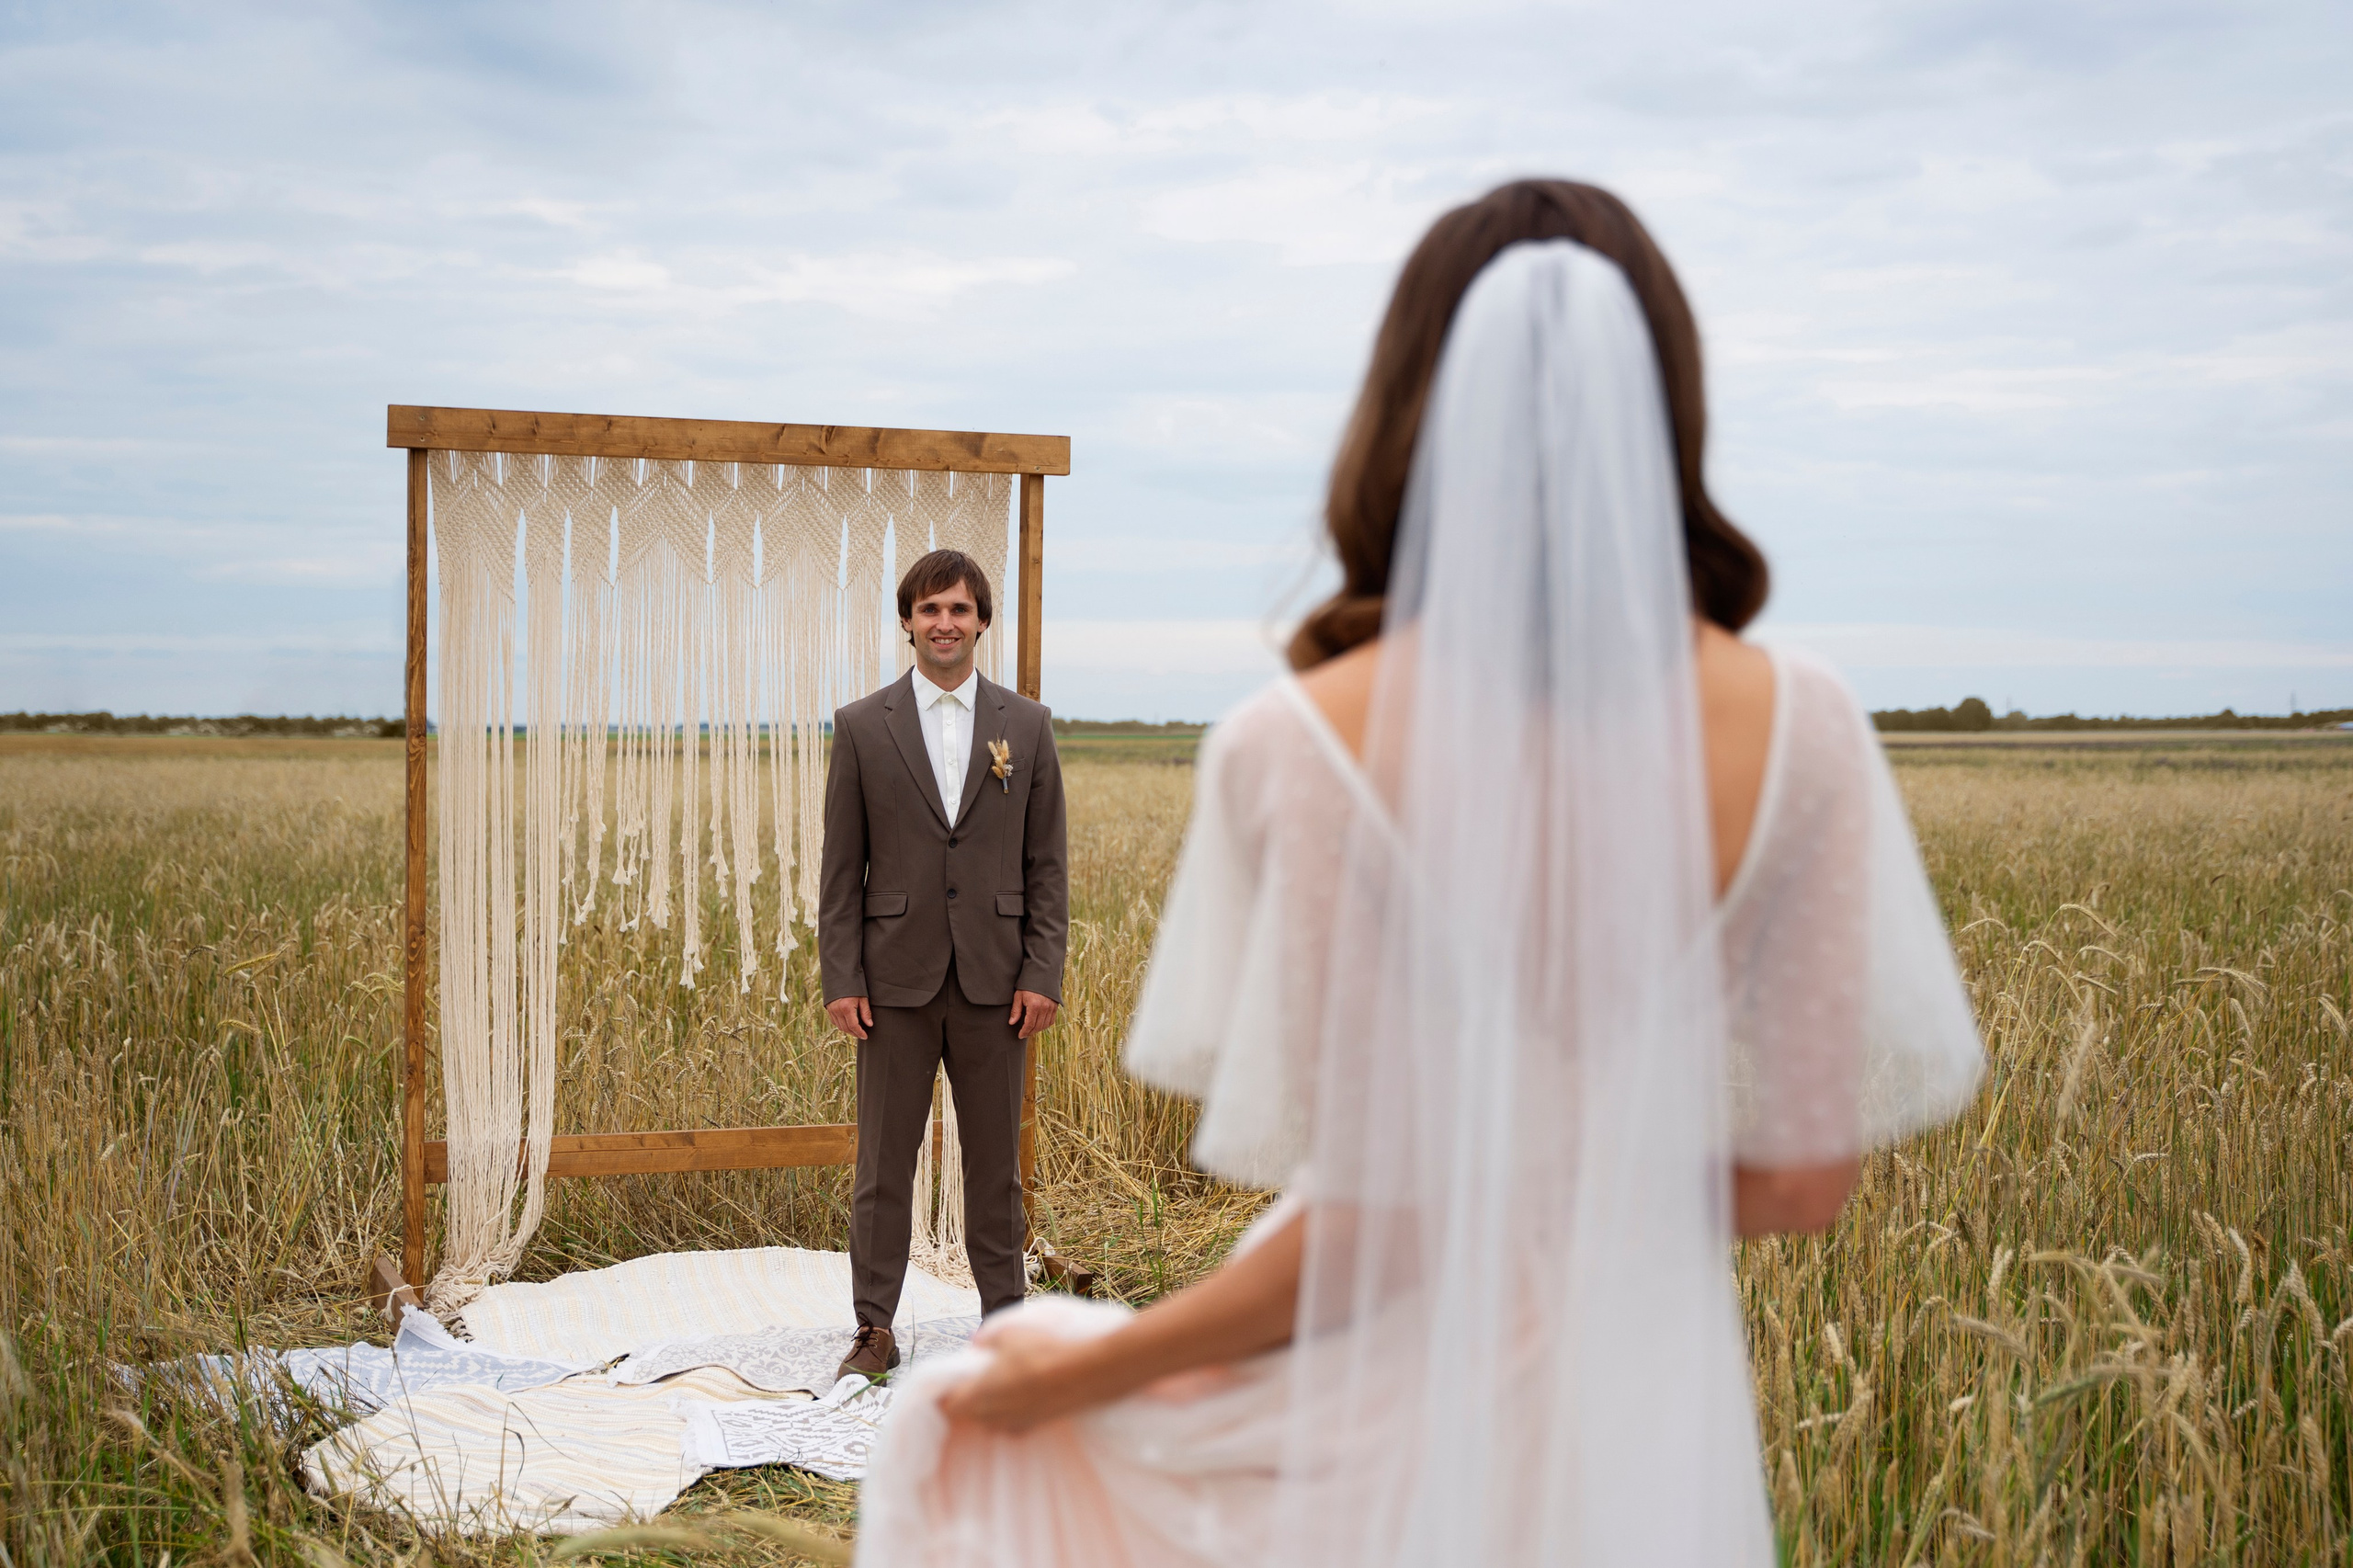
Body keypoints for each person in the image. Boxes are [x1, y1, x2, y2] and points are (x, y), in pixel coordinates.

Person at [854, 181, 1985, 1567]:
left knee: (984, 1408)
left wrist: (1077, 1372)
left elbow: (1379, 1226)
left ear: (1401, 404)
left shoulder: (1296, 747)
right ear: (1665, 397)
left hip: (1393, 1436)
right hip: (1654, 1422)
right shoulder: (1807, 727)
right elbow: (1807, 1180)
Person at [819, 549, 1068, 1383]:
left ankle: (1006, 1328)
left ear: (982, 622)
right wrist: (842, 978)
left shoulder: (1025, 726)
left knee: (996, 1169)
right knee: (884, 1167)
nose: (945, 624)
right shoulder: (861, 727)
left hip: (999, 984)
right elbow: (840, 870)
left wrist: (1043, 970)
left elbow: (1046, 866)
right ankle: (873, 1330)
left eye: (959, 609)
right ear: (907, 622)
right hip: (891, 984)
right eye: (929, 610)